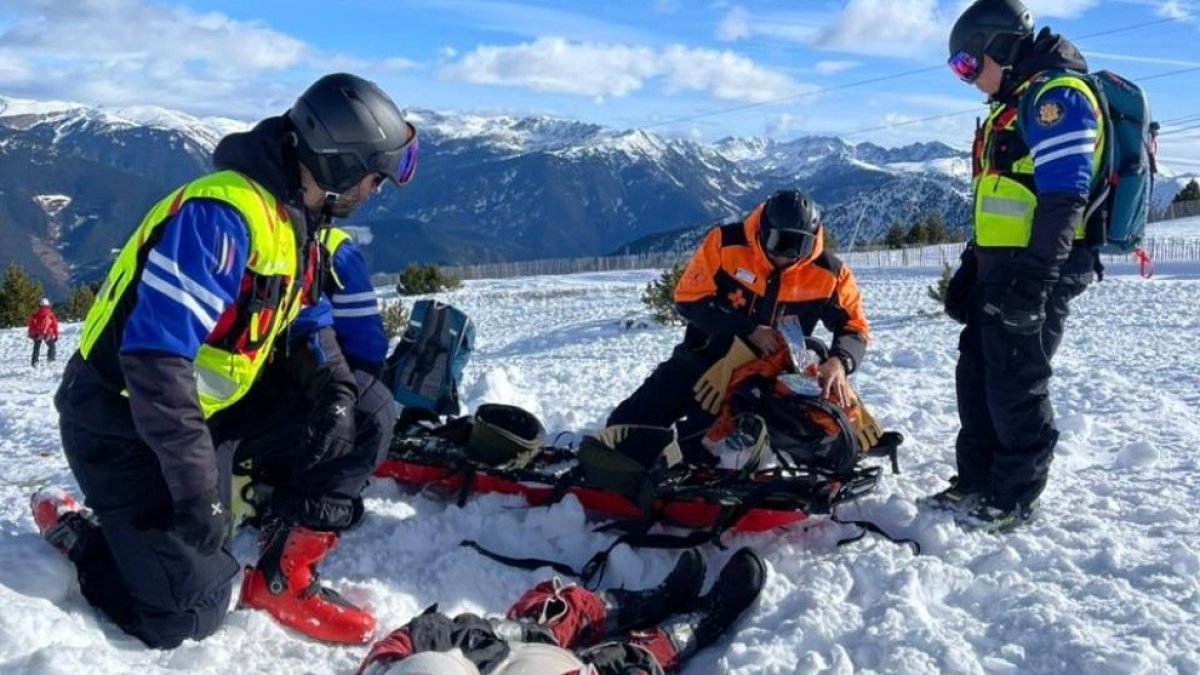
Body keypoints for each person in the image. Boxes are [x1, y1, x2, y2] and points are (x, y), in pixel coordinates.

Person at [31, 72, 417, 648]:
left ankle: (284, 575)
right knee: (188, 612)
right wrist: (196, 489)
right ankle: (78, 536)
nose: (376, 189)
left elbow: (305, 316)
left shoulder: (298, 219)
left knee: (366, 411)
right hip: (122, 423)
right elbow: (156, 362)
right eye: (374, 176)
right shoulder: (221, 218)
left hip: (208, 413)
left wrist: (334, 389)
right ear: (339, 166)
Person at [929, 0, 1102, 532]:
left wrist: (1033, 284)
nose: (966, 79)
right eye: (957, 69)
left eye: (967, 64)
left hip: (1041, 267)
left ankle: (1016, 495)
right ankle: (977, 480)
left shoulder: (1057, 98)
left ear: (1000, 46)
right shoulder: (1012, 103)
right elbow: (1001, 198)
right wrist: (972, 266)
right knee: (976, 372)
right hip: (999, 266)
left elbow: (1063, 201)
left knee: (1015, 379)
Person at [607, 189, 869, 461]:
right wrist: (748, 329)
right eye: (779, 242)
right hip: (703, 357)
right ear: (763, 229)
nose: (786, 255)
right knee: (624, 427)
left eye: (799, 246)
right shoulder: (725, 244)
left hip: (767, 376)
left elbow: (855, 326)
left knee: (699, 451)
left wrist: (839, 361)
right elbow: (688, 299)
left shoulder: (830, 273)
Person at [355, 548, 765, 675]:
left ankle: (646, 603)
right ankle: (690, 628)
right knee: (634, 659)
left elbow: (418, 633)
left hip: (499, 657)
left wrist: (484, 636)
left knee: (552, 605)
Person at [229, 226, 396, 529]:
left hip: (222, 405)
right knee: (371, 408)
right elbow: (367, 347)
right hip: (281, 405)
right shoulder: (333, 250)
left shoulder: (245, 234)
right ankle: (309, 505)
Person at [27, 298, 58, 366]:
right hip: (47, 333)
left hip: (37, 333)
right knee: (51, 346)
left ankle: (35, 361)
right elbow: (54, 325)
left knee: (36, 347)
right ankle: (51, 359)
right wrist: (56, 334)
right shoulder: (50, 314)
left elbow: (31, 324)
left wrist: (31, 333)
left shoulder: (35, 314)